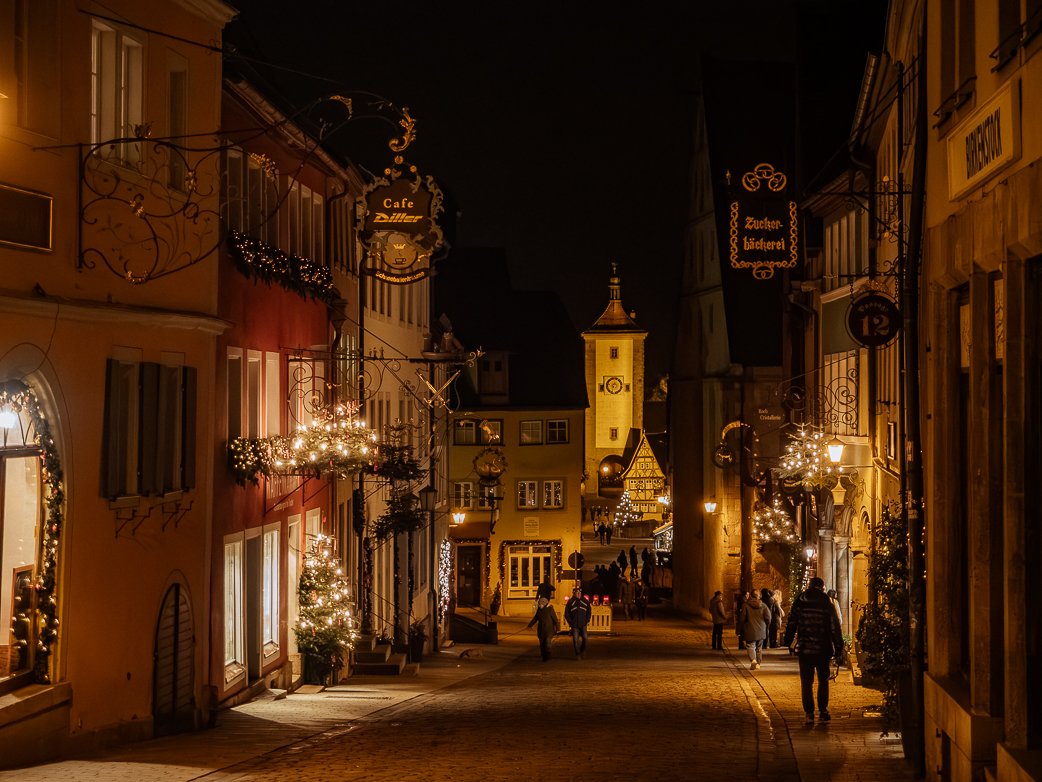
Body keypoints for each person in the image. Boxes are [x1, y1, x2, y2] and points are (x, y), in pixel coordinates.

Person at [784, 577, 844, 724]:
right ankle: (823, 711)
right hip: (823, 648)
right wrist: (838, 646)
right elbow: (834, 626)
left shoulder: (800, 601)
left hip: (805, 648)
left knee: (806, 681)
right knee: (823, 680)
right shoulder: (826, 602)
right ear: (822, 587)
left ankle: (809, 713)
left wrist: (788, 641)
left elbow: (792, 622)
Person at [738, 590, 771, 670]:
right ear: (760, 596)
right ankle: (758, 664)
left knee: (750, 646)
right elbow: (768, 617)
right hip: (761, 629)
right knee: (759, 647)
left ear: (751, 596)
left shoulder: (745, 605)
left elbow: (742, 618)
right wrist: (765, 625)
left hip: (750, 628)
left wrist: (739, 630)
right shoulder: (763, 605)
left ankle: (753, 660)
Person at [527, 597, 560, 661]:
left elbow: (555, 620)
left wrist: (557, 629)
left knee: (547, 642)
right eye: (539, 604)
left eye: (540, 604)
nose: (539, 606)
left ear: (544, 604)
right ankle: (543, 655)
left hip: (549, 630)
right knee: (542, 643)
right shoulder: (539, 610)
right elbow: (535, 618)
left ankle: (548, 653)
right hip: (541, 630)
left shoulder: (550, 610)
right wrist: (529, 625)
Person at [565, 587, 592, 659]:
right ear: (574, 593)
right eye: (577, 593)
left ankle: (583, 650)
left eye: (579, 592)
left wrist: (586, 620)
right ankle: (578, 654)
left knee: (585, 638)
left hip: (583, 624)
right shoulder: (570, 602)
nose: (578, 594)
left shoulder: (585, 602)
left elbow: (589, 611)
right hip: (574, 625)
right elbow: (567, 613)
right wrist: (571, 622)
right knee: (575, 640)